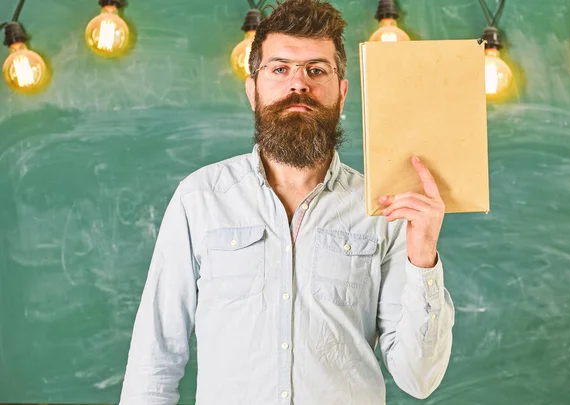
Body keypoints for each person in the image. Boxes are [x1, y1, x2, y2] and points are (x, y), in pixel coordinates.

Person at [118, 0, 455, 404]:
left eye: (316, 70)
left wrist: (423, 261)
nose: (299, 84)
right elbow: (155, 360)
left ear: (342, 92)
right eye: (279, 69)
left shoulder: (385, 211)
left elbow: (419, 379)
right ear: (252, 90)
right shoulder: (200, 200)